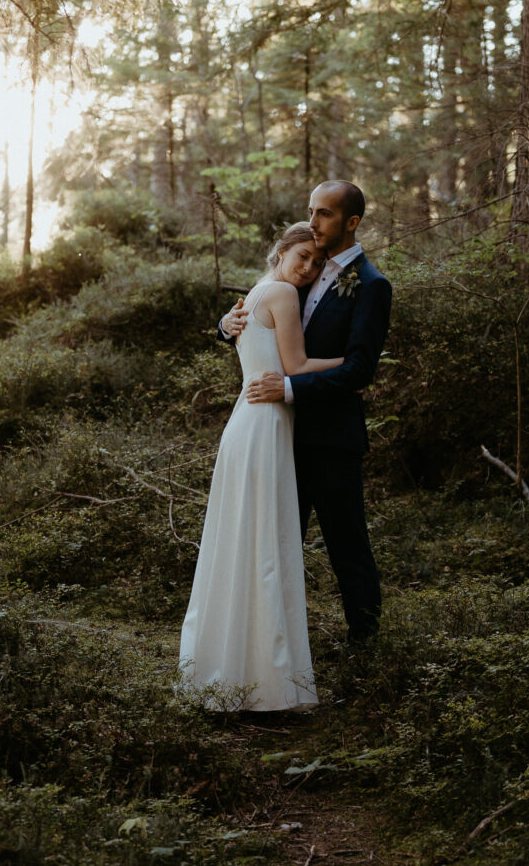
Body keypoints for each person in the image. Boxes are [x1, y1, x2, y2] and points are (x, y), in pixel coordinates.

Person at [178, 223, 343, 711]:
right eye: (302, 256)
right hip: (265, 426)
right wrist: (355, 362)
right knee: (264, 546)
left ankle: (231, 671)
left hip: (248, 425)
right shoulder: (283, 295)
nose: (308, 268)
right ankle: (266, 683)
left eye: (316, 262)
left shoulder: (256, 291)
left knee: (243, 544)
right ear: (282, 250)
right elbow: (295, 367)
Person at [220, 180, 392, 648]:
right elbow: (265, 320)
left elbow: (359, 370)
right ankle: (270, 646)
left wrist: (290, 387)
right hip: (281, 436)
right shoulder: (305, 269)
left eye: (324, 214)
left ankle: (366, 648)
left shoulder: (371, 285)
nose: (313, 222)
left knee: (347, 545)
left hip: (332, 439)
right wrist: (226, 325)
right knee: (275, 542)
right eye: (311, 211)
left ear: (351, 222)